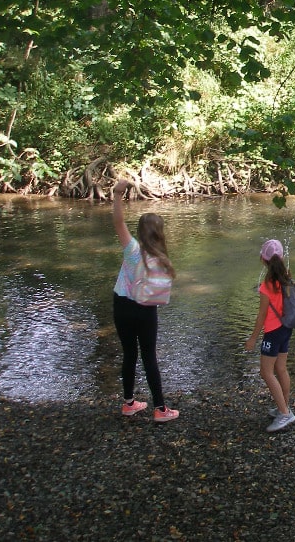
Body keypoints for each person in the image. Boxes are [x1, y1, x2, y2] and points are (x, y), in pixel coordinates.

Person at [111, 179, 179, 423]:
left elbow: (118, 222)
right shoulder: (161, 258)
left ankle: (129, 404)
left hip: (122, 306)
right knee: (149, 356)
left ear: (139, 232)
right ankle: (160, 409)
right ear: (160, 233)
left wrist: (118, 194)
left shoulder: (132, 250)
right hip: (146, 309)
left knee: (129, 354)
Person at [245, 238, 295, 432]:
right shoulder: (288, 277)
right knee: (281, 368)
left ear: (263, 260)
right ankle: (284, 406)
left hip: (273, 333)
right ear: (281, 258)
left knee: (266, 372)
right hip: (286, 329)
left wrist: (252, 338)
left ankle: (284, 414)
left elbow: (262, 316)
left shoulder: (267, 285)